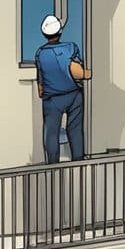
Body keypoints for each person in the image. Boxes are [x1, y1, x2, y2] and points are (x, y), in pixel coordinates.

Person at [35, 15, 92, 164]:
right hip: (74, 95)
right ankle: (78, 163)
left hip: (52, 98)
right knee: (75, 130)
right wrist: (88, 73)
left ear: (44, 34)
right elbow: (78, 72)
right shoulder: (70, 47)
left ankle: (52, 166)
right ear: (60, 32)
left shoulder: (40, 53)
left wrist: (41, 91)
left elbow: (40, 80)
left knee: (51, 133)